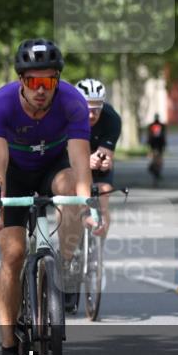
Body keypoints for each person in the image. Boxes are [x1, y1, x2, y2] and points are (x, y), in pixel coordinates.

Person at [0, 39, 100, 355]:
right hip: (14, 173)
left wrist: (86, 206)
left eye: (49, 82)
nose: (42, 90)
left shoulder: (73, 102)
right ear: (21, 81)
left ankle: (60, 266)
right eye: (34, 82)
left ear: (58, 81)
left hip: (54, 166)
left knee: (69, 189)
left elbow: (80, 165)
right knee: (14, 254)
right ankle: (7, 348)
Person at [71, 77, 121, 313]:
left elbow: (106, 152)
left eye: (97, 108)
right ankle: (73, 247)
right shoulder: (68, 114)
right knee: (75, 202)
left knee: (103, 195)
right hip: (72, 162)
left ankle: (97, 248)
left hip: (98, 163)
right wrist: (83, 161)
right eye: (87, 109)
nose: (92, 114)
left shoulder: (112, 119)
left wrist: (102, 159)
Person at [146, 113, 167, 182]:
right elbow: (164, 135)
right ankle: (156, 170)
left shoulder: (151, 125)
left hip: (153, 144)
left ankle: (154, 169)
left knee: (155, 158)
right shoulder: (162, 125)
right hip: (159, 144)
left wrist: (148, 143)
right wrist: (165, 144)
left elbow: (149, 135)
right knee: (159, 158)